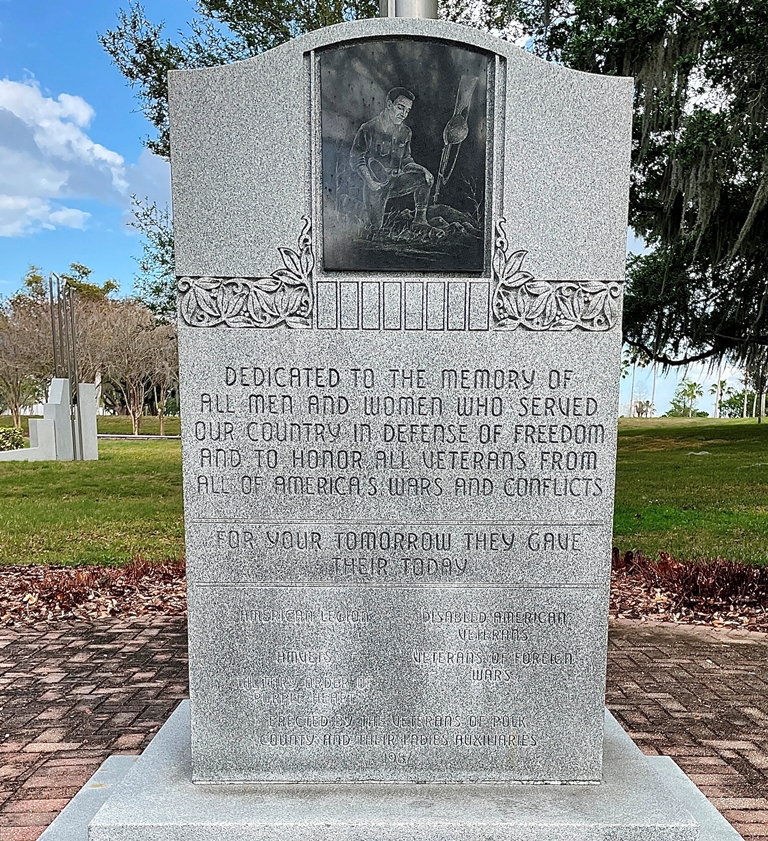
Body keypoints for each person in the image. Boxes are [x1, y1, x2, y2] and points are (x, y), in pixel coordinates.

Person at [350, 87, 434, 230]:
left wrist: (423, 170)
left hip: (396, 181)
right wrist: (370, 182)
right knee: (375, 229)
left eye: (407, 111)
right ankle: (361, 213)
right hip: (375, 184)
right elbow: (356, 158)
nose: (404, 114)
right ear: (389, 104)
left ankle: (419, 222)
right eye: (401, 108)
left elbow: (406, 160)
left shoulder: (406, 132)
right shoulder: (369, 128)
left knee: (424, 178)